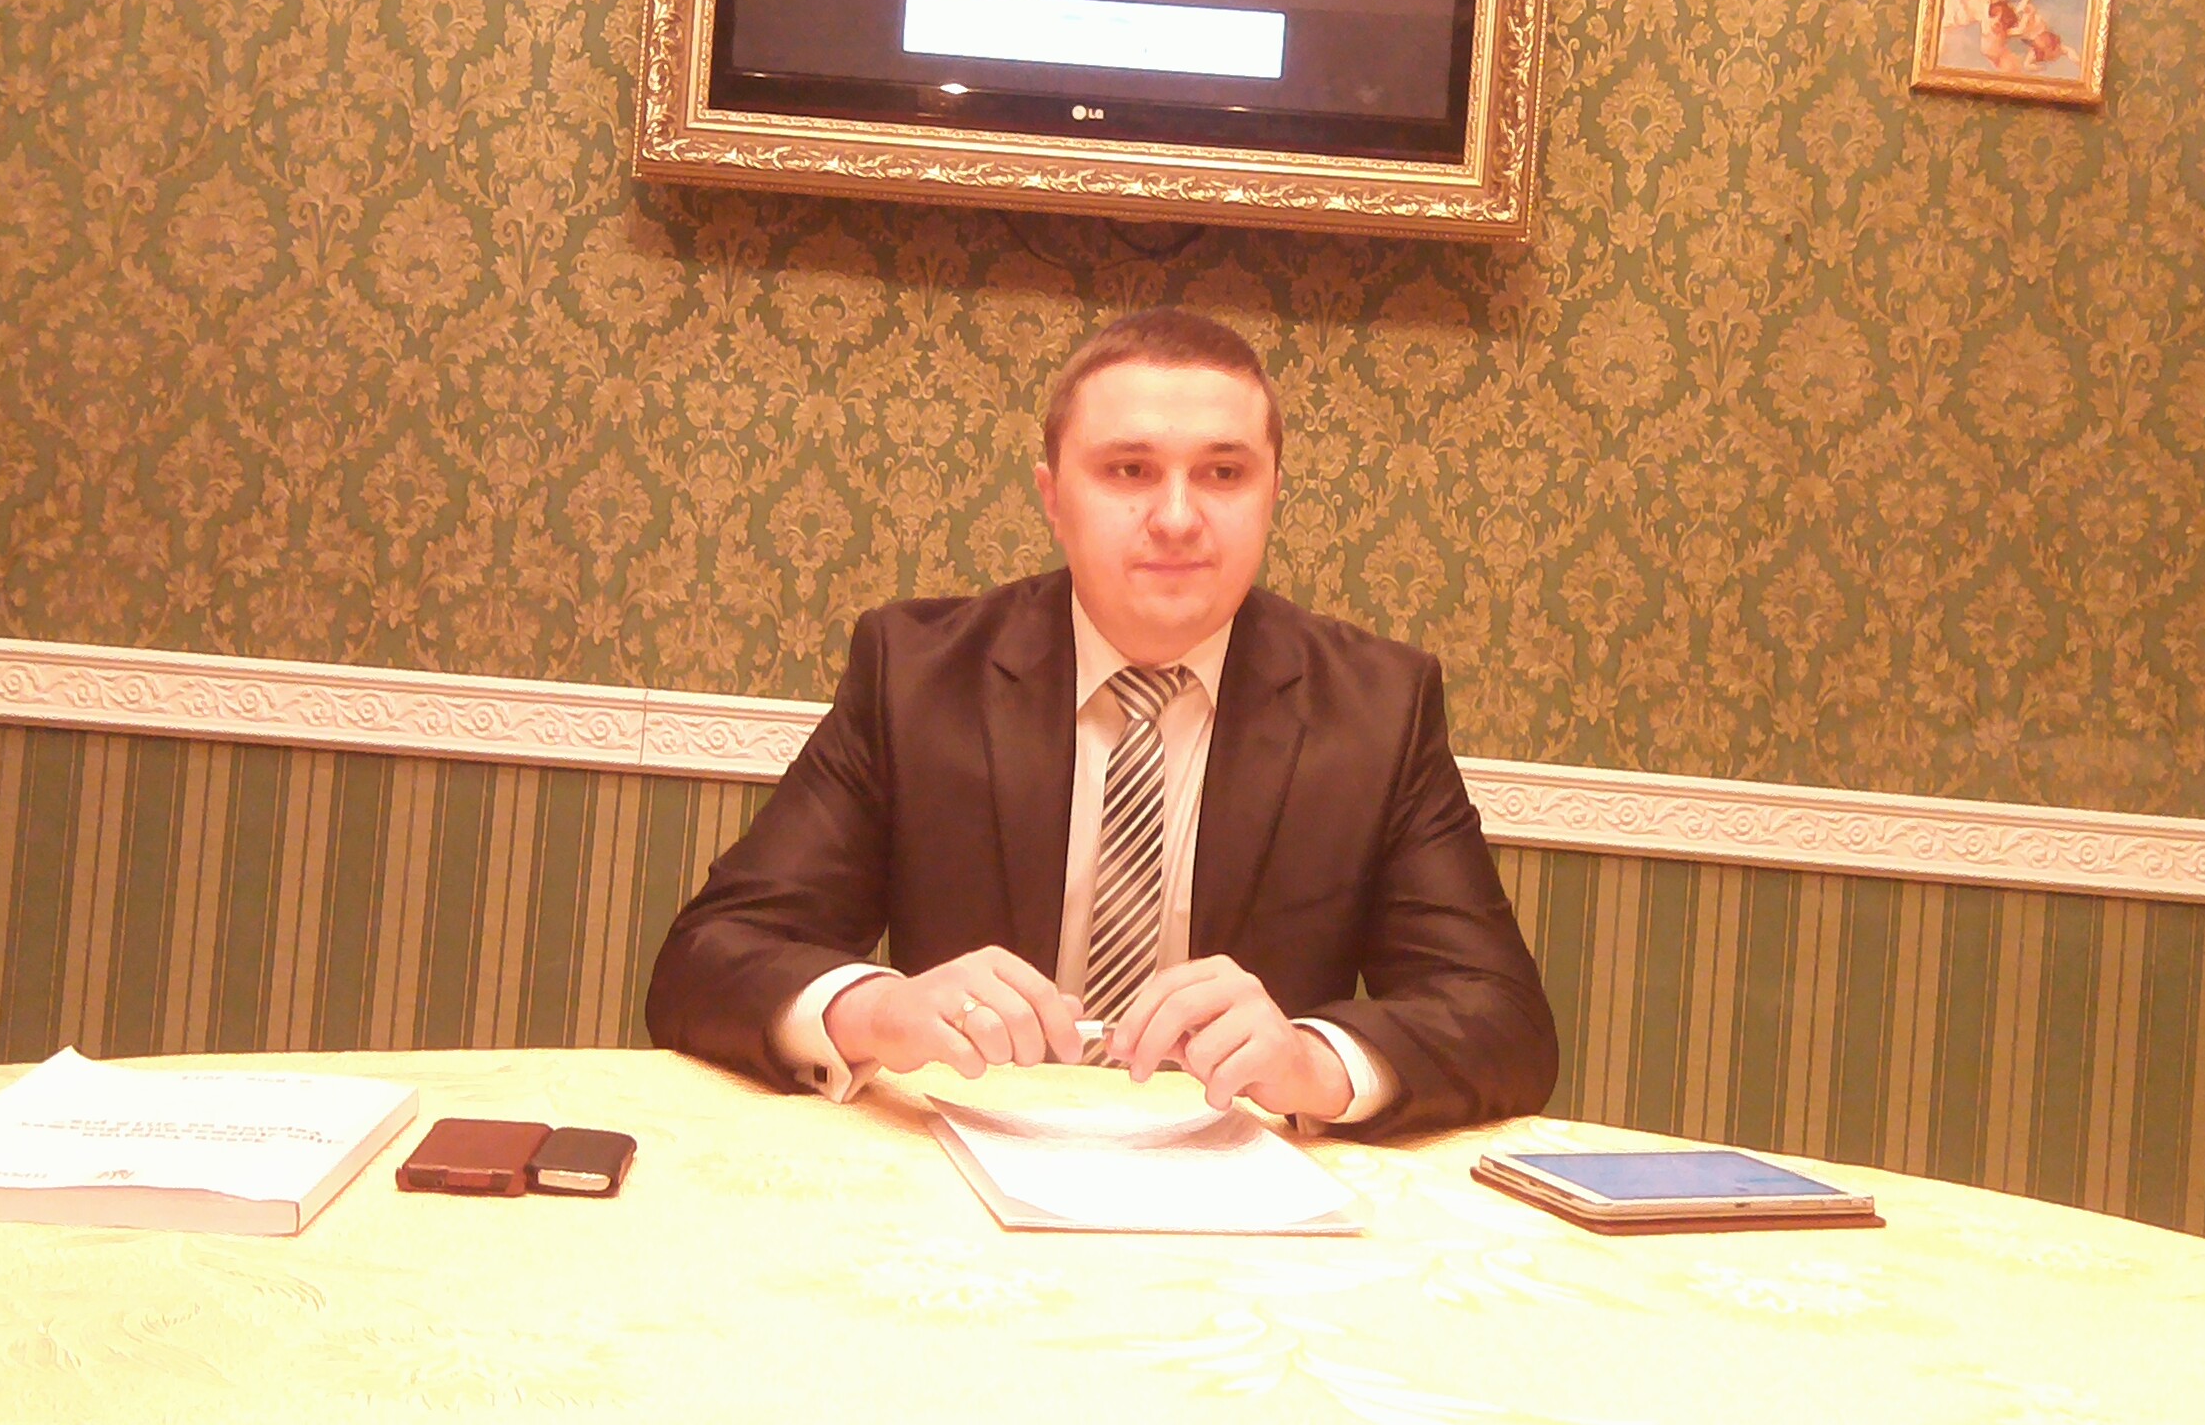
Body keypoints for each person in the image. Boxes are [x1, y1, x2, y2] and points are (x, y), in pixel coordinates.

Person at [645, 310, 1559, 1138]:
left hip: (1240, 1191)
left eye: (1224, 473)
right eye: (1129, 470)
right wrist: (876, 1010)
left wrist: (1311, 1062)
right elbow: (706, 960)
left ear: (1273, 492)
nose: (1176, 516)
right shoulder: (917, 676)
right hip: (964, 1165)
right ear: (1053, 496)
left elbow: (1504, 1021)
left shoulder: (1377, 708)